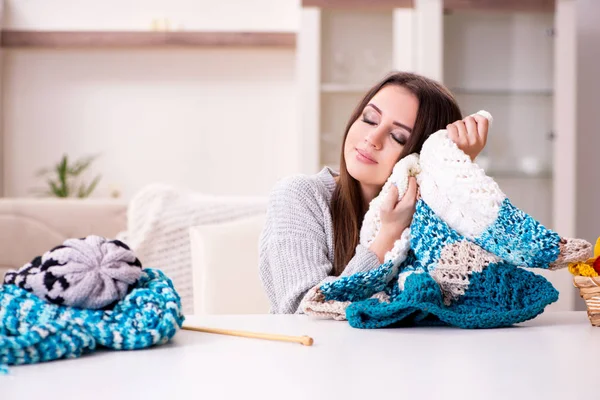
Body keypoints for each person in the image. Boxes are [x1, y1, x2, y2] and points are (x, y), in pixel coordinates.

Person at [258, 71, 489, 314]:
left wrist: (452, 176)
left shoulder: (427, 211)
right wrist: (388, 235)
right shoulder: (299, 195)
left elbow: (465, 298)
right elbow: (302, 310)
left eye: (398, 137)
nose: (372, 138)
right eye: (369, 119)